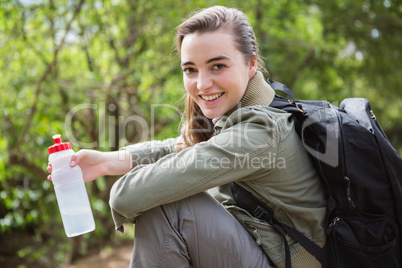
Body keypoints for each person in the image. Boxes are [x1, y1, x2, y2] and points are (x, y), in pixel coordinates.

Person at [48, 6, 326, 268]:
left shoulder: (259, 132)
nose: (202, 84)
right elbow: (186, 150)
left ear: (251, 64)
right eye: (190, 69)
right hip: (264, 249)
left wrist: (125, 187)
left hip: (284, 261)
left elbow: (129, 196)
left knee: (169, 204)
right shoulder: (249, 111)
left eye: (217, 66)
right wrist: (107, 162)